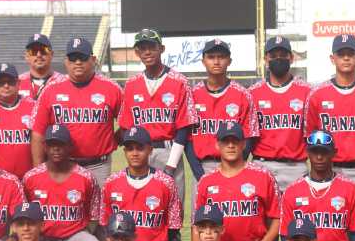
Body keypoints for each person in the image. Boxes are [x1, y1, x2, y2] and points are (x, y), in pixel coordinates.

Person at [31, 37, 123, 186]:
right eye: (73, 58)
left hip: (98, 165)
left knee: (98, 209)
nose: (78, 62)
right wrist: (38, 170)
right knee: (64, 208)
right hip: (62, 165)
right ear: (66, 61)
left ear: (93, 59)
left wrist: (113, 140)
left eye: (83, 57)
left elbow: (128, 122)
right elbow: (38, 132)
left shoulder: (111, 88)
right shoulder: (50, 90)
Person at [118, 28, 197, 200]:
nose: (147, 52)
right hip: (140, 152)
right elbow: (126, 127)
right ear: (137, 52)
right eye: (142, 47)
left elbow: (183, 128)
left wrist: (171, 165)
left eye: (152, 46)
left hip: (168, 151)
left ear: (161, 49)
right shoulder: (131, 84)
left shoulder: (179, 81)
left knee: (172, 210)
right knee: (144, 209)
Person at [193, 122, 280, 241]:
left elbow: (277, 217)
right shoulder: (206, 181)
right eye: (226, 141)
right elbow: (196, 225)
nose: (231, 145)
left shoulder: (262, 175)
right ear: (218, 145)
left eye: (235, 141)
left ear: (243, 144)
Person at [305, 34, 355, 192]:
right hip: (328, 170)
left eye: (350, 54)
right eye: (341, 54)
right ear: (332, 58)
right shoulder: (317, 94)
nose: (346, 58)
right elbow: (310, 135)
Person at [281, 130, 355, 241]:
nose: (319, 157)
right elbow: (285, 235)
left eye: (324, 152)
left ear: (334, 152)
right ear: (307, 152)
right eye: (314, 151)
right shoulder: (292, 190)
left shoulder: (350, 188)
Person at [100, 126, 183, 241]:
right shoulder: (112, 182)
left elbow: (173, 226)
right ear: (124, 151)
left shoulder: (166, 183)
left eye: (140, 148)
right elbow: (105, 223)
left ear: (150, 150)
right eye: (130, 149)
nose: (135, 153)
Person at [23, 124, 102, 241]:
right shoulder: (30, 177)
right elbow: (24, 215)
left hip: (74, 237)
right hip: (41, 239)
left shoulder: (86, 177)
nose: (56, 149)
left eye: (61, 144)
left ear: (70, 146)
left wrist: (84, 232)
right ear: (45, 147)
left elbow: (94, 216)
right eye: (51, 144)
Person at [186, 38, 259, 185]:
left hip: (233, 167)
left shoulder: (243, 95)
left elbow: (249, 137)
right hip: (202, 167)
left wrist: (235, 168)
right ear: (203, 61)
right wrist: (199, 174)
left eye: (221, 57)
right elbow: (187, 140)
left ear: (229, 61)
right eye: (211, 57)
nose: (216, 61)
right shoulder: (192, 95)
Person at [248, 36, 311, 191]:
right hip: (262, 164)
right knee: (262, 215)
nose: (278, 59)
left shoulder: (307, 91)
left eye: (283, 55)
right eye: (273, 55)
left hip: (296, 166)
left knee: (296, 215)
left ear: (291, 57)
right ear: (265, 59)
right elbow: (248, 136)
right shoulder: (252, 93)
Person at [0, 63, 35, 179]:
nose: (6, 86)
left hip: (28, 177)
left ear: (19, 83)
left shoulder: (34, 106)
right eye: (0, 82)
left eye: (10, 81)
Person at [18, 33, 65, 100]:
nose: (39, 55)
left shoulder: (63, 82)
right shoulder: (17, 83)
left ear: (51, 54)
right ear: (26, 56)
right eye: (33, 51)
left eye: (43, 51)